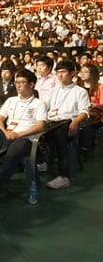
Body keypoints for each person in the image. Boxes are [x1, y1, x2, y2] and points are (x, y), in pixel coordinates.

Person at [0, 69, 47, 195]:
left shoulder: (39, 104)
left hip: (25, 138)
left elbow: (41, 126)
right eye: (16, 83)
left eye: (22, 82)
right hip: (7, 134)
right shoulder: (11, 100)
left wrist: (18, 134)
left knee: (12, 153)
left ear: (31, 85)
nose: (18, 85)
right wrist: (4, 132)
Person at [42, 60, 90, 189]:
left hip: (67, 122)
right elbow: (43, 106)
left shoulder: (80, 91)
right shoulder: (53, 91)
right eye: (58, 72)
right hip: (50, 121)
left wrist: (75, 122)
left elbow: (84, 112)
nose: (60, 75)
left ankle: (64, 176)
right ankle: (40, 161)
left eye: (63, 72)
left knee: (59, 136)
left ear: (73, 73)